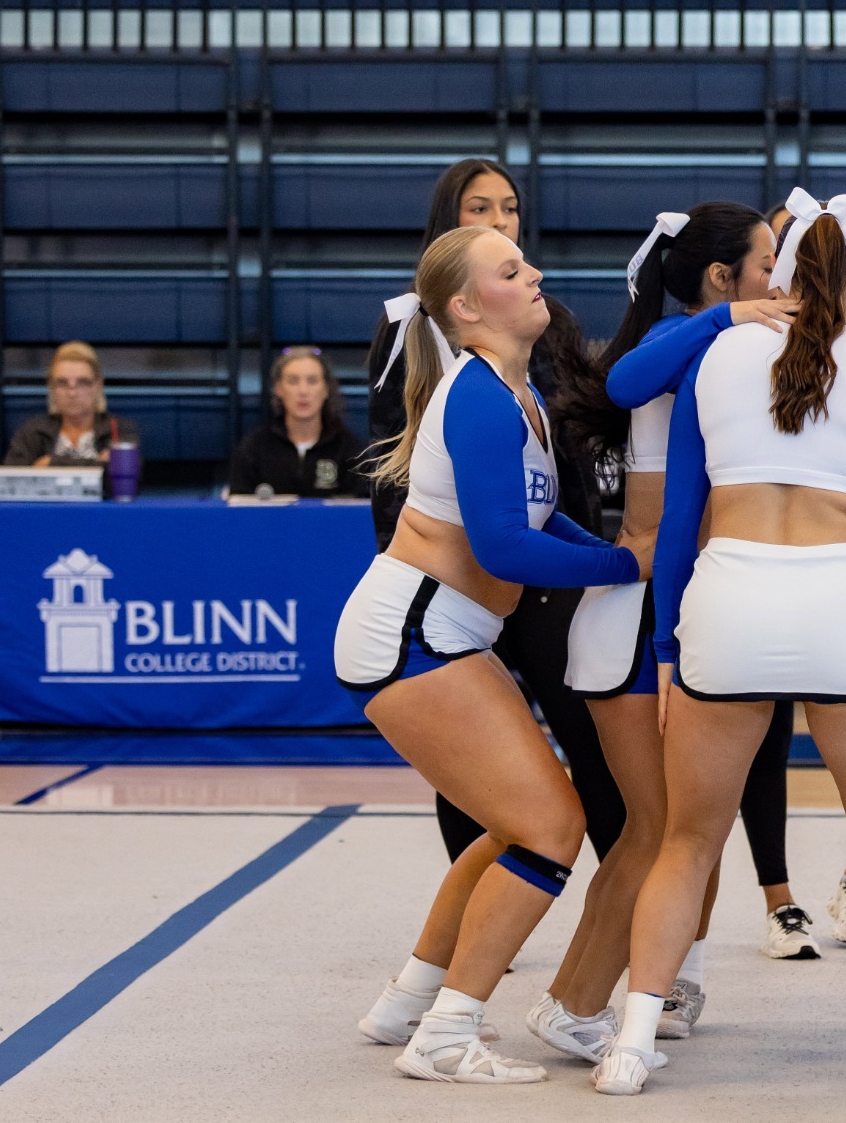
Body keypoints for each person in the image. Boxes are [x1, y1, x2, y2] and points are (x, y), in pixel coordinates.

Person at [594, 195, 846, 1097]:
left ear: (782, 274)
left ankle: (631, 1043)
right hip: (843, 599)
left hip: (729, 600)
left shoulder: (718, 352)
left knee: (686, 843)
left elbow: (679, 522)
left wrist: (668, 655)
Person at [335, 225, 652, 1085]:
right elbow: (507, 548)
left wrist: (619, 553)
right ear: (468, 309)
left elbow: (546, 523)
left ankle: (409, 997)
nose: (536, 271)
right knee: (553, 827)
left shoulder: (521, 397)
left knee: (517, 823)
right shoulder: (475, 394)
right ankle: (447, 1031)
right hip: (412, 632)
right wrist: (624, 563)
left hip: (442, 633)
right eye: (511, 270)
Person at [525, 201, 803, 1067]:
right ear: (720, 280)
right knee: (657, 833)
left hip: (685, 611)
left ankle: (636, 985)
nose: (776, 280)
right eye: (763, 262)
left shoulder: (735, 347)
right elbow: (621, 380)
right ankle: (575, 1002)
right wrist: (728, 315)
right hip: (647, 616)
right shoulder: (703, 342)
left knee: (683, 826)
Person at [364, 158, 627, 874]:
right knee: (473, 761)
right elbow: (395, 461)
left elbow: (570, 446)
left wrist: (595, 550)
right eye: (480, 207)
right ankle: (484, 915)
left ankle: (621, 904)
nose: (499, 220)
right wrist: (415, 557)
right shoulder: (406, 325)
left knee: (590, 736)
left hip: (542, 569)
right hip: (456, 579)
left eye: (509, 208)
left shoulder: (548, 315)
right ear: (447, 222)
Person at [226, 346, 368, 497]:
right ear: (279, 388)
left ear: (326, 389)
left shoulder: (349, 450)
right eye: (293, 381)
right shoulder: (253, 449)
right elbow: (238, 509)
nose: (303, 391)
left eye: (312, 381)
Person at [4, 341, 140, 471]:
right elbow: (10, 480)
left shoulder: (118, 430)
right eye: (62, 383)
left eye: (82, 382)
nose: (72, 393)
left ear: (98, 386)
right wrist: (97, 464)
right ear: (51, 387)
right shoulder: (32, 432)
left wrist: (50, 463)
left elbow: (125, 481)